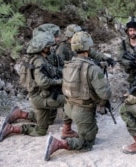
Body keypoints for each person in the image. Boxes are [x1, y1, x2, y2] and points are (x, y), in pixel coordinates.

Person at [0, 31, 77, 142]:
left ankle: (15, 122)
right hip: (41, 97)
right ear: (43, 48)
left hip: (36, 95)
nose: (50, 48)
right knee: (69, 100)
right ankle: (67, 130)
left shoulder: (35, 58)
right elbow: (43, 82)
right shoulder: (39, 62)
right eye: (48, 46)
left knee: (41, 129)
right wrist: (61, 82)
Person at [44, 31, 112, 161]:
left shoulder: (68, 65)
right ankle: (58, 144)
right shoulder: (93, 69)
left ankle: (67, 129)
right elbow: (105, 94)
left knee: (93, 130)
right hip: (83, 111)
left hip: (68, 107)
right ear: (89, 47)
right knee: (87, 143)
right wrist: (102, 102)